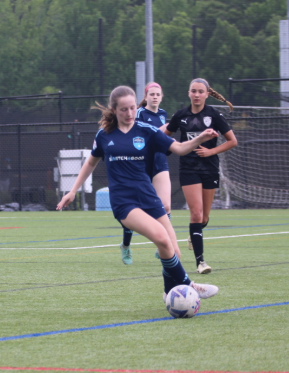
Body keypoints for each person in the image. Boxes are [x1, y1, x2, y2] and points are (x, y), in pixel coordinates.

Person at [56, 85, 219, 300]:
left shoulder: (146, 131)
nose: (130, 113)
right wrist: (72, 191)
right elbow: (90, 163)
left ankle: (169, 292)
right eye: (124, 109)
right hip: (124, 203)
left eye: (133, 108)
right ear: (114, 110)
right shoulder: (104, 136)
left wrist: (199, 139)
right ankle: (191, 285)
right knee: (161, 238)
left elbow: (178, 148)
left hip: (148, 197)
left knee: (174, 252)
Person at [164, 78, 238, 274]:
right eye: (193, 91)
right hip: (188, 169)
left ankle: (194, 233)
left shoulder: (214, 115)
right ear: (188, 93)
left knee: (204, 217)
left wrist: (211, 152)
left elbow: (232, 141)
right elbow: (165, 134)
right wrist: (162, 147)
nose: (196, 95)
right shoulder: (181, 115)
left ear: (207, 94)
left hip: (210, 168)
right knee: (195, 214)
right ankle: (201, 262)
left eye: (200, 92)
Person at [119, 82, 172, 264]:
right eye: (152, 94)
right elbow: (142, 136)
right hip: (142, 166)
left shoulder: (164, 114)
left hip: (160, 163)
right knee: (134, 209)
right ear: (146, 96)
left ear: (162, 96)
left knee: (165, 206)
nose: (155, 97)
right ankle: (126, 245)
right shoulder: (139, 114)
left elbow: (164, 139)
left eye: (158, 94)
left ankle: (161, 245)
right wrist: (162, 131)